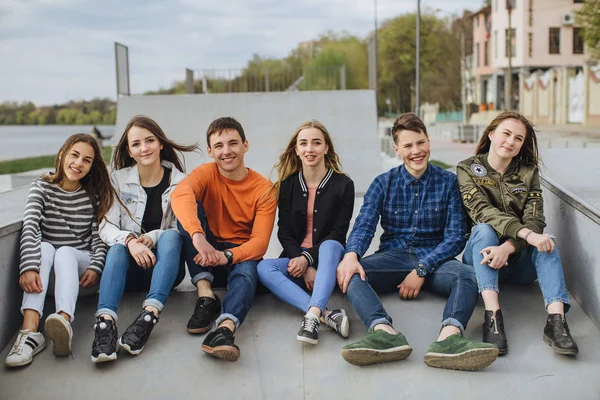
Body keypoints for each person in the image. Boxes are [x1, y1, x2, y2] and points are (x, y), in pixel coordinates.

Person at [336, 113, 499, 371]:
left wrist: (422, 269)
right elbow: (365, 225)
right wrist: (352, 254)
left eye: (420, 143)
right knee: (353, 275)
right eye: (408, 145)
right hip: (393, 256)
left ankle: (450, 338)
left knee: (467, 275)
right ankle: (383, 332)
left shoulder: (449, 183)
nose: (416, 151)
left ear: (428, 142)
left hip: (435, 261)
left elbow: (456, 237)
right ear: (397, 149)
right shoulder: (383, 183)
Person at [457, 111, 578, 356]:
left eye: (518, 138)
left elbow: (535, 220)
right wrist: (522, 235)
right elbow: (482, 211)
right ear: (491, 134)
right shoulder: (468, 168)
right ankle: (492, 317)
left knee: (547, 242)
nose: (511, 141)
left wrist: (508, 247)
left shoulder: (528, 172)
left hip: (517, 264)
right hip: (481, 258)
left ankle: (557, 322)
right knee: (483, 228)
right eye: (506, 133)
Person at [91, 115, 199, 363]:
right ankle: (105, 325)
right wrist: (130, 240)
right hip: (126, 274)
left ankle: (148, 316)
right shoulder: (117, 179)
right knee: (117, 249)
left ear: (161, 144)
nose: (144, 148)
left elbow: (181, 229)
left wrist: (152, 236)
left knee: (171, 236)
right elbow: (106, 225)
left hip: (165, 271)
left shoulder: (181, 182)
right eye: (137, 144)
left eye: (150, 140)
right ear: (129, 151)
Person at [171, 116, 277, 362]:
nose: (226, 151)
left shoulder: (264, 189)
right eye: (219, 146)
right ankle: (206, 295)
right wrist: (197, 237)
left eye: (233, 143)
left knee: (249, 269)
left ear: (245, 145)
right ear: (210, 151)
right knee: (187, 208)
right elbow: (180, 194)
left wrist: (226, 256)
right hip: (204, 254)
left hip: (237, 256)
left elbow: (260, 242)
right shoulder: (206, 173)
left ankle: (224, 330)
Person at [5, 134, 114, 367]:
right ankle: (29, 332)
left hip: (84, 276)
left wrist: (96, 266)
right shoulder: (41, 187)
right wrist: (29, 267)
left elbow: (99, 238)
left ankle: (63, 322)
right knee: (44, 246)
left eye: (86, 160)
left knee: (64, 251)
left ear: (92, 166)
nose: (78, 163)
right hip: (49, 282)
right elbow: (31, 226)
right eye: (74, 155)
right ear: (62, 154)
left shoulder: (93, 195)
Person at [257, 120, 354, 344]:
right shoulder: (288, 185)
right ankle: (326, 314)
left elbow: (338, 233)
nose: (310, 149)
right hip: (296, 258)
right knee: (263, 267)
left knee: (331, 245)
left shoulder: (343, 184)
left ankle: (311, 317)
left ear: (326, 148)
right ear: (296, 149)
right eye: (304, 143)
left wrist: (308, 259)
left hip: (329, 257)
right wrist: (302, 262)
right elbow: (285, 232)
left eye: (316, 143)